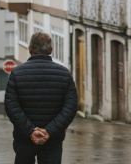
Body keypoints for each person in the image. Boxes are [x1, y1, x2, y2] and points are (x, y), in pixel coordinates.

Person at [5, 32, 78, 164]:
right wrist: (49, 131)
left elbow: (11, 106)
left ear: (30, 49)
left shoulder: (17, 73)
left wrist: (30, 131)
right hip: (53, 140)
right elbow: (70, 108)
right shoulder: (64, 74)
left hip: (24, 138)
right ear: (51, 50)